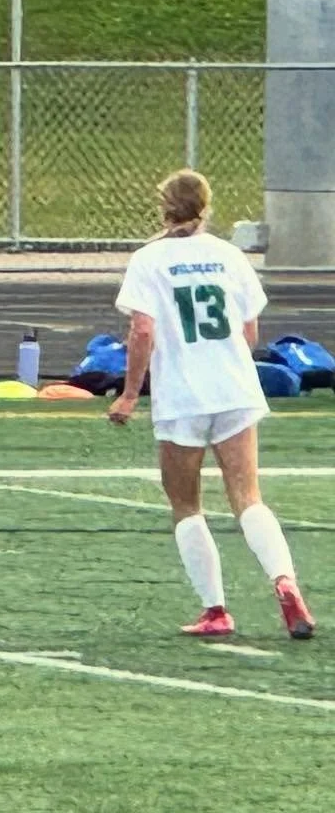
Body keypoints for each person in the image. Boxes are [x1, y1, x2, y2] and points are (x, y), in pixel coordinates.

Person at [109, 169, 315, 639]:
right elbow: (249, 332)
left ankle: (216, 609)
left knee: (186, 504)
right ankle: (286, 584)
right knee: (248, 498)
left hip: (184, 394)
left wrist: (128, 394)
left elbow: (142, 331)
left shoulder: (149, 259)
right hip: (235, 387)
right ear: (206, 206)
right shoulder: (229, 256)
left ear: (164, 207)